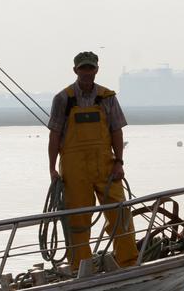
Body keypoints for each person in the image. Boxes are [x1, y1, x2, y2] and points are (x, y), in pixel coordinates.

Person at [47, 51, 139, 271]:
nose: (87, 72)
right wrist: (52, 169)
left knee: (121, 214)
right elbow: (54, 136)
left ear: (97, 69)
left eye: (90, 68)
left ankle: (129, 263)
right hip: (74, 169)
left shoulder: (108, 97)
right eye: (83, 68)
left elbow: (116, 131)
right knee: (77, 220)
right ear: (75, 70)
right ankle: (81, 268)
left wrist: (119, 162)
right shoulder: (63, 99)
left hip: (105, 166)